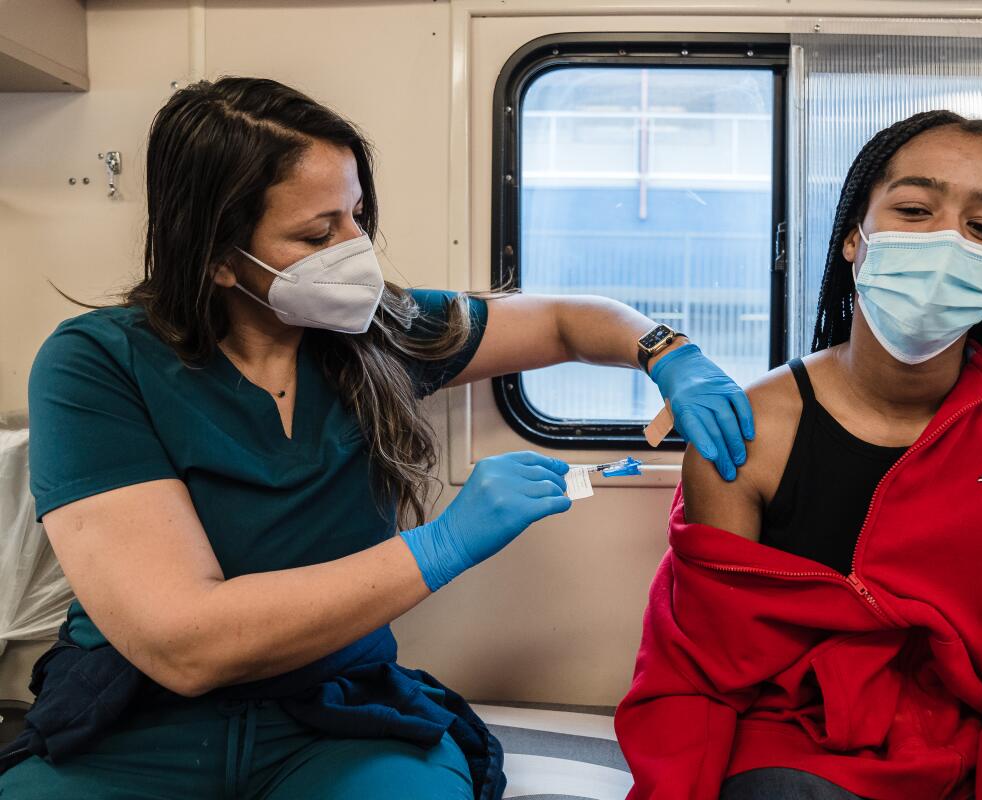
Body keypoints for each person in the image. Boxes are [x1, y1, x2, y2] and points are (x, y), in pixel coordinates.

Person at [0, 76, 754, 800]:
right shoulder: (97, 365)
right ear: (221, 259)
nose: (356, 250)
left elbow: (565, 320)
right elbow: (184, 645)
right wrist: (441, 546)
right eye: (318, 232)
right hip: (136, 719)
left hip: (335, 717)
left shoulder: (378, 334)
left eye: (357, 215)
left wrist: (667, 353)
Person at [615, 110, 982, 800]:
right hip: (796, 755)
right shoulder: (753, 431)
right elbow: (699, 674)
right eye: (916, 209)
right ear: (854, 241)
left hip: (971, 750)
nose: (948, 240)